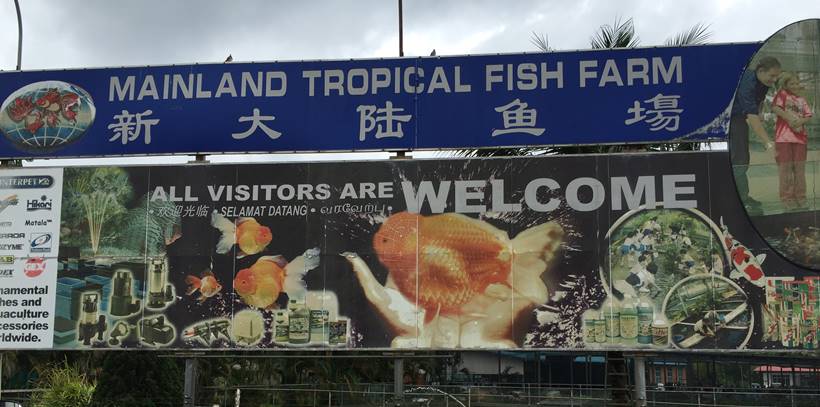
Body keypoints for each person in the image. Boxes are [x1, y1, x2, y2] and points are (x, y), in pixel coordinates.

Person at [730, 56, 782, 212]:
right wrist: (768, 143)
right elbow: (751, 117)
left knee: (743, 158)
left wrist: (760, 112)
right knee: (739, 159)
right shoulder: (747, 81)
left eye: (776, 77)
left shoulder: (763, 82)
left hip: (740, 117)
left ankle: (743, 196)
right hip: (730, 118)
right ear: (760, 71)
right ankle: (739, 200)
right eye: (771, 75)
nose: (774, 80)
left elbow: (757, 103)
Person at [771, 72, 813, 210]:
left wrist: (800, 121)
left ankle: (800, 197)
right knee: (785, 169)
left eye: (796, 83)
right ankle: (787, 198)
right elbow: (775, 108)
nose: (795, 86)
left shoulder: (802, 99)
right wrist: (789, 118)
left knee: (799, 169)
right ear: (786, 85)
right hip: (783, 138)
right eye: (791, 83)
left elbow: (808, 115)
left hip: (800, 139)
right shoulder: (782, 94)